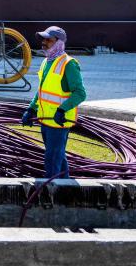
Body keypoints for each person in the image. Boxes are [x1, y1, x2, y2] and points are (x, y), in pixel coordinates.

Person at [21, 26, 86, 178]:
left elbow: (80, 94)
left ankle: (52, 192)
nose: (44, 42)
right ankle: (66, 186)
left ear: (59, 43)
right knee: (58, 157)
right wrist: (31, 109)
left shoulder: (69, 64)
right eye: (43, 39)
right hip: (46, 120)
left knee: (52, 160)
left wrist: (62, 110)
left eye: (48, 40)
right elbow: (42, 91)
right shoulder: (46, 62)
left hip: (58, 122)